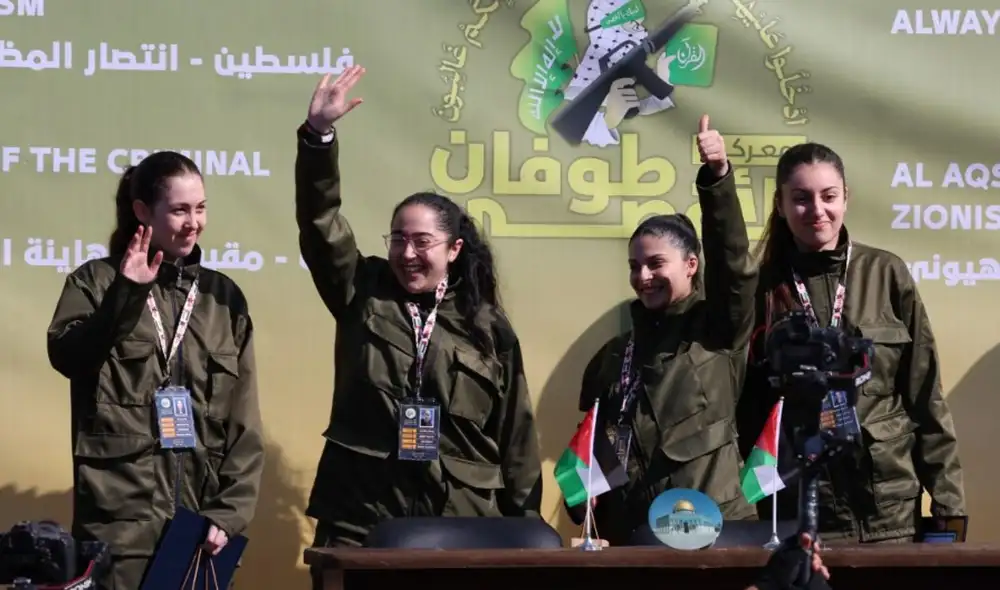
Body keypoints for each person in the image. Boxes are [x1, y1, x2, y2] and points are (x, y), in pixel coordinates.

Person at [296, 66, 543, 561]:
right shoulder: (360, 290)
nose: (408, 253)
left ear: (452, 249)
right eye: (398, 239)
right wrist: (318, 139)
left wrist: (526, 529)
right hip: (361, 515)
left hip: (461, 525)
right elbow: (320, 221)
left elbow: (515, 435)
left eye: (422, 242)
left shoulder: (487, 327)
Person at [46, 152, 265, 589]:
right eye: (180, 209)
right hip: (119, 529)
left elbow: (245, 424)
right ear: (142, 211)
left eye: (200, 208)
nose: (194, 222)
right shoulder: (95, 283)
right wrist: (127, 293)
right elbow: (68, 357)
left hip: (199, 531)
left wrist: (229, 511)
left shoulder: (224, 299)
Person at [737, 142, 966, 543]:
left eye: (829, 196)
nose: (817, 211)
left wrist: (949, 507)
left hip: (890, 510)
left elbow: (925, 393)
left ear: (847, 198)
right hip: (801, 515)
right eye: (801, 199)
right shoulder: (760, 289)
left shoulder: (886, 272)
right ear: (780, 204)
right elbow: (744, 413)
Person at [566, 115, 758, 545]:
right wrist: (582, 495)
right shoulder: (614, 355)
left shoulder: (718, 332)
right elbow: (595, 442)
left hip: (716, 534)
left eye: (656, 264)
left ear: (691, 265)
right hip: (636, 541)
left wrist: (718, 179)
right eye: (635, 266)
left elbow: (735, 266)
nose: (643, 276)